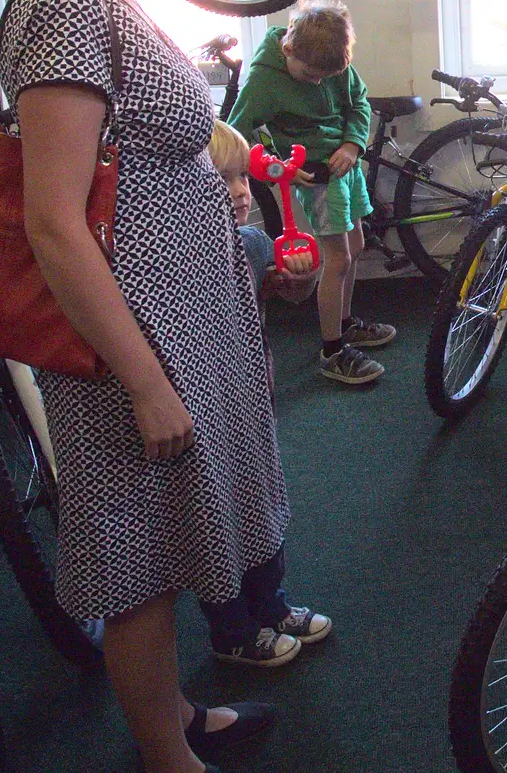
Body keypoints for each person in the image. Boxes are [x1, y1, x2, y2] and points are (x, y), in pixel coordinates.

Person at [4, 0, 287, 773]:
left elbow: (135, 136)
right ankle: (168, 757)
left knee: (172, 539)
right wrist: (142, 377)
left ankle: (173, 712)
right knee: (142, 564)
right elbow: (53, 218)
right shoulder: (61, 7)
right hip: (131, 335)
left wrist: (215, 166)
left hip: (176, 314)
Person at [195, 121, 329, 668]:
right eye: (221, 181)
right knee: (216, 511)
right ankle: (230, 631)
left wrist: (301, 276)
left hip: (252, 392)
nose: (239, 192)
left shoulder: (250, 242)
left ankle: (269, 605)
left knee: (261, 499)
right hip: (205, 401)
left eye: (242, 179)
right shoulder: (176, 260)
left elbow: (291, 297)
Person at [228, 0, 395, 386]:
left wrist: (353, 144)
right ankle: (332, 350)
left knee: (355, 246)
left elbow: (359, 104)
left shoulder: (330, 61)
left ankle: (346, 324)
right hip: (316, 178)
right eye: (310, 74)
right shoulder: (263, 81)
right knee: (336, 258)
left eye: (327, 75)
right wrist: (276, 167)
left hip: (345, 169)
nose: (319, 81)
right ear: (288, 49)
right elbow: (237, 137)